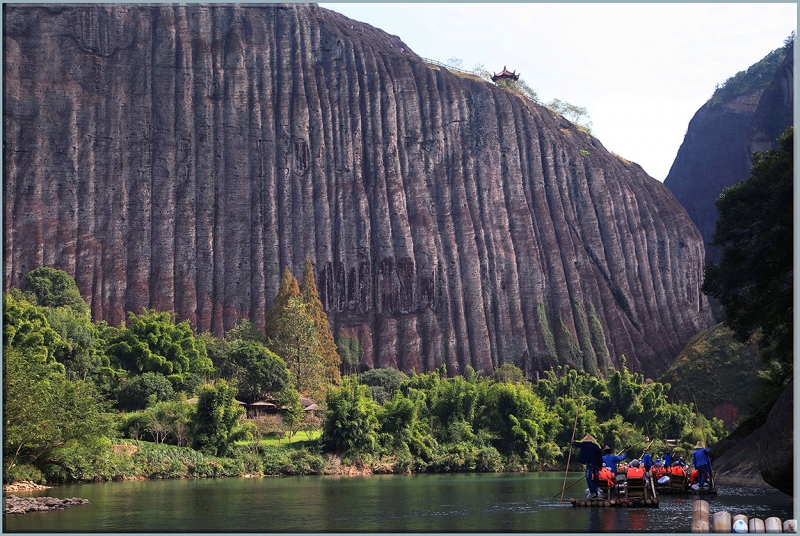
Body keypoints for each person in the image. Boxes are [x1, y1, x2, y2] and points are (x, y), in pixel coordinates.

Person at [571, 433, 604, 498]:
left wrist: (573, 442)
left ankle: (593, 492)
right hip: (596, 464)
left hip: (590, 464)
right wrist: (600, 466)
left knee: (588, 477)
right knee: (596, 478)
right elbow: (600, 457)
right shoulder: (596, 446)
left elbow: (577, 444)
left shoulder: (584, 445)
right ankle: (595, 491)